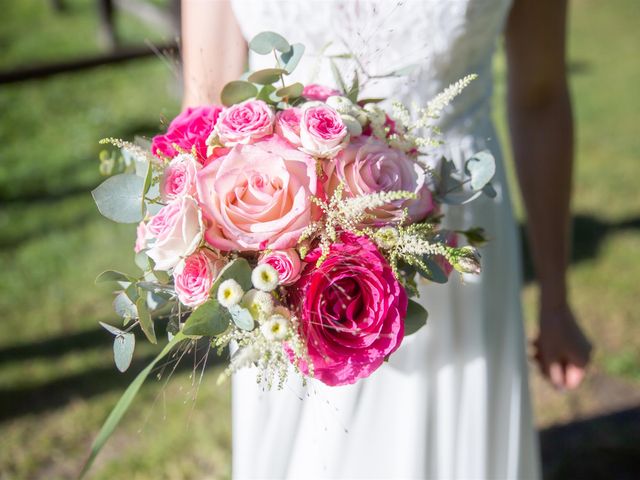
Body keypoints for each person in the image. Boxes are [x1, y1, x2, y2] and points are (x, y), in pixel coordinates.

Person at [181, 1, 592, 478]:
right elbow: (206, 101)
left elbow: (540, 98)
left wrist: (556, 299)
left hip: (451, 228)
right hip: (281, 236)